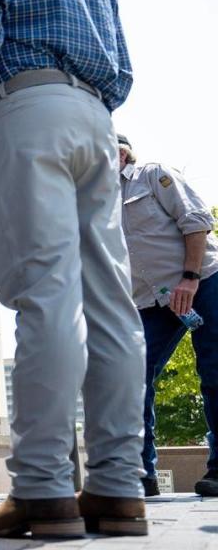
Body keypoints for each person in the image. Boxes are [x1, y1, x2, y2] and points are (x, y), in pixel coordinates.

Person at [0, 0, 147, 538]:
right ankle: (118, 487)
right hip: (94, 116)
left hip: (23, 107)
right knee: (110, 304)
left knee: (47, 300)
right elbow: (120, 55)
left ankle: (42, 489)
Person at [117, 134, 218, 498]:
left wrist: (189, 279)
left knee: (215, 370)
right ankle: (141, 474)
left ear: (120, 152)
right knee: (131, 378)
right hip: (152, 302)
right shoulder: (95, 201)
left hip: (203, 282)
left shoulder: (153, 176)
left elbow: (196, 222)